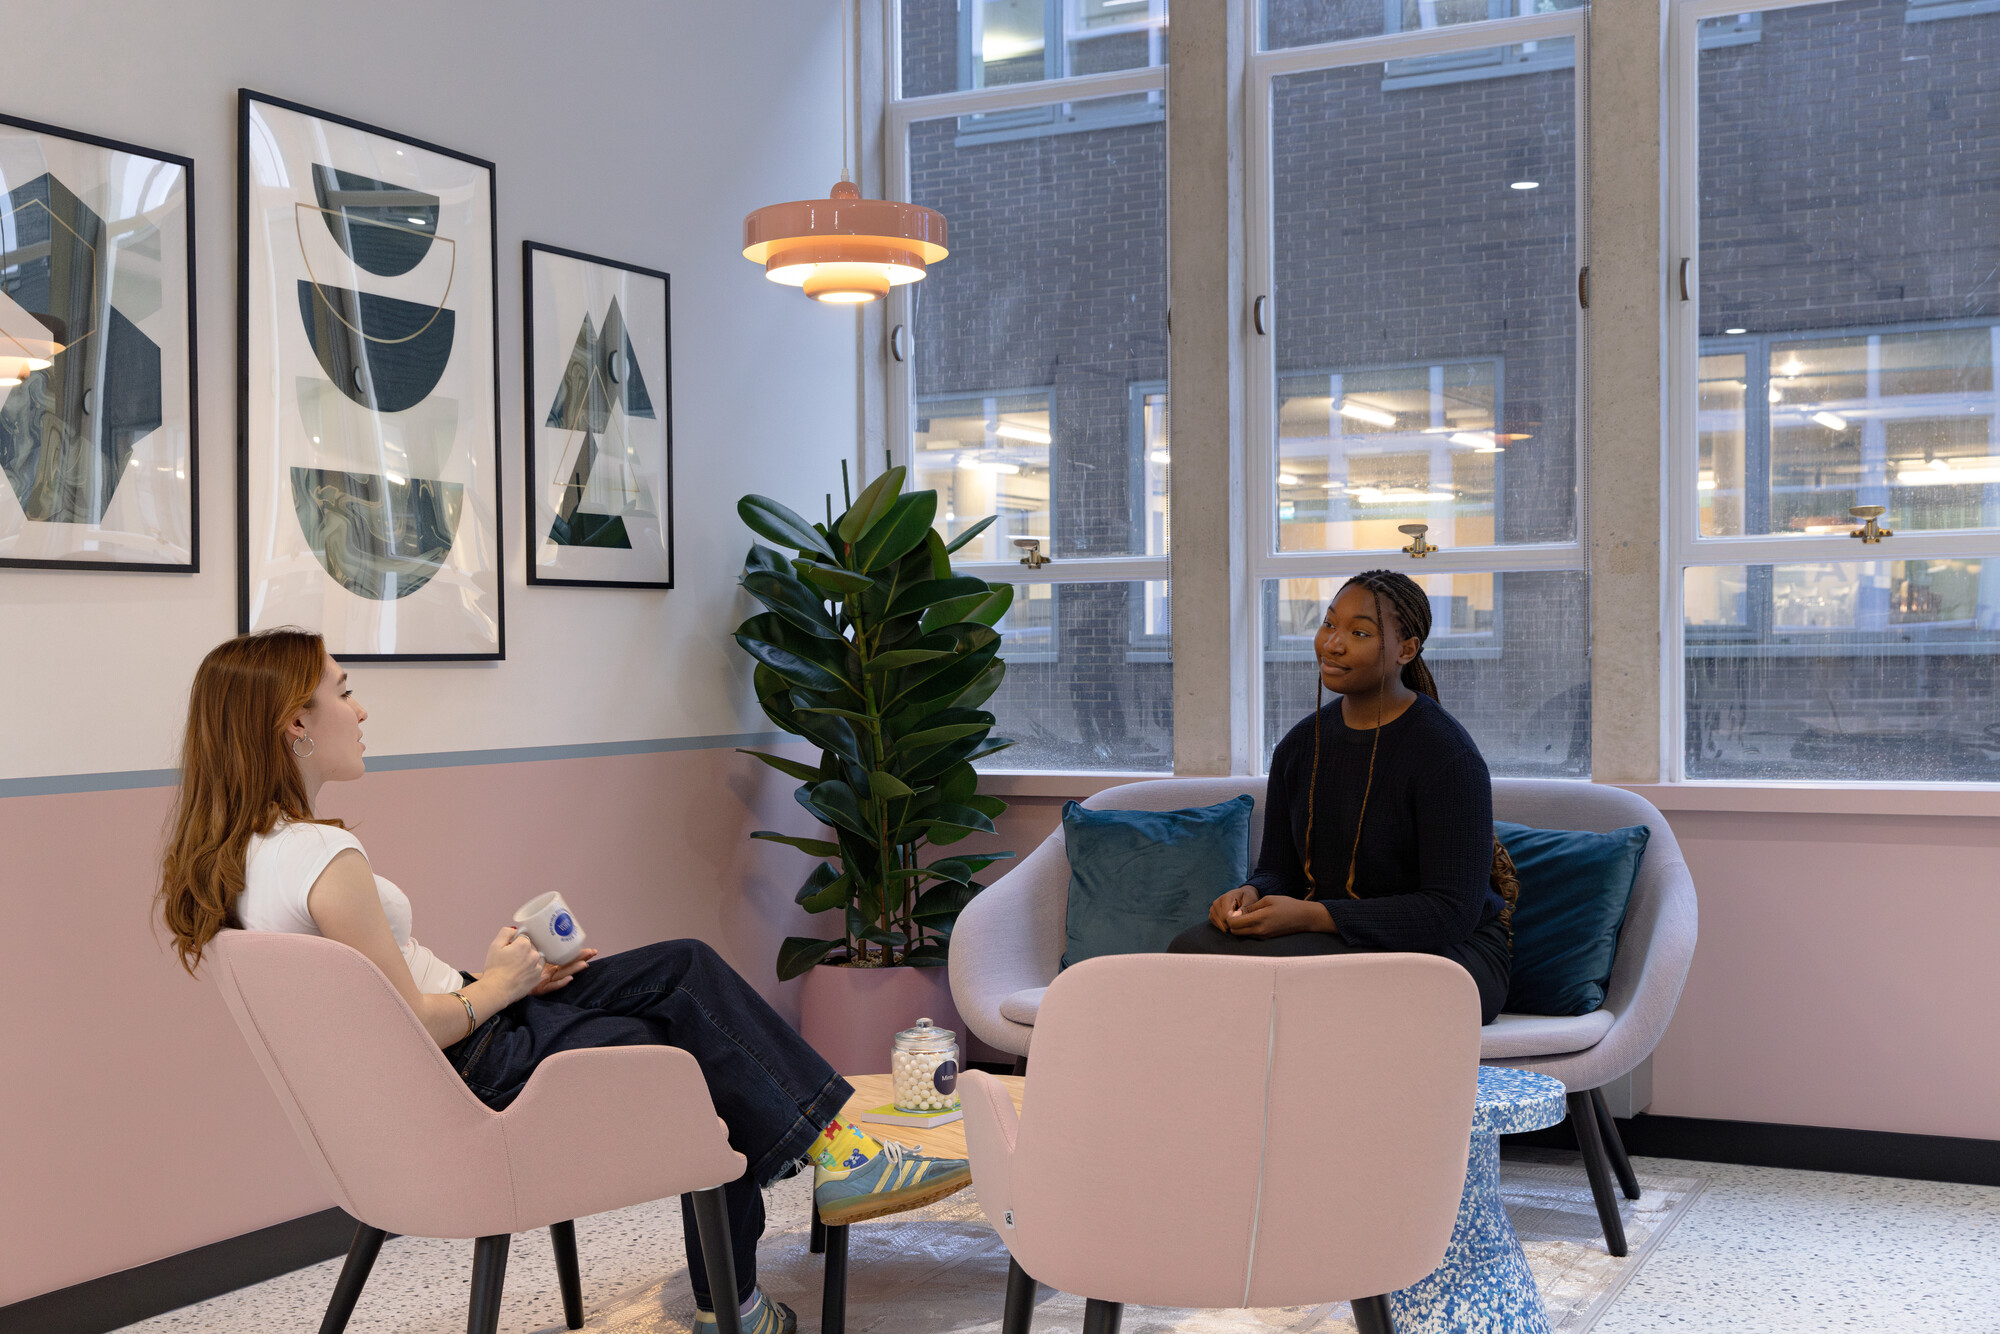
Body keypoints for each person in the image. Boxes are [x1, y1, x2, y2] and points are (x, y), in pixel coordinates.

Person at [155, 629, 971, 1334]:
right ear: (295, 722)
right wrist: (502, 986)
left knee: (684, 975)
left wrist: (511, 981)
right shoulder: (325, 858)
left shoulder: (248, 860)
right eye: (343, 692)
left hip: (470, 1039)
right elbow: (413, 1025)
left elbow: (385, 1014)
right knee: (697, 1051)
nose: (360, 710)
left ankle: (807, 1193)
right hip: (476, 1056)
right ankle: (799, 1210)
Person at [1168, 570, 1517, 1024]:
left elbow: (1450, 911)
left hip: (1450, 956)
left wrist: (1313, 917)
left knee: (1277, 975)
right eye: (1329, 624)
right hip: (1335, 939)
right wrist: (1251, 893)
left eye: (1360, 633)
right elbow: (1280, 871)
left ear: (1406, 650)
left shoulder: (1446, 756)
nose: (1332, 644)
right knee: (1187, 952)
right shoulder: (1299, 747)